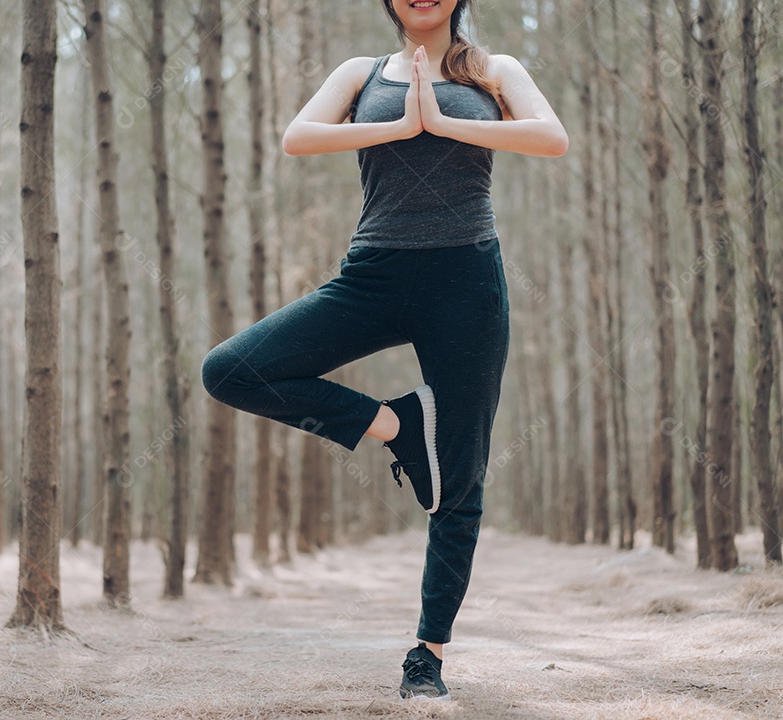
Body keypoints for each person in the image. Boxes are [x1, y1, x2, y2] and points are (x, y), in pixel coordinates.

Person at [201, 0, 567, 702]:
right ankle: (397, 426)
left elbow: (552, 138)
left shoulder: (496, 70)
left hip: (467, 276)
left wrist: (441, 120)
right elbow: (296, 138)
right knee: (231, 370)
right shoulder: (359, 73)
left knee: (459, 479)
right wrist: (400, 122)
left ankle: (427, 655)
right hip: (373, 272)